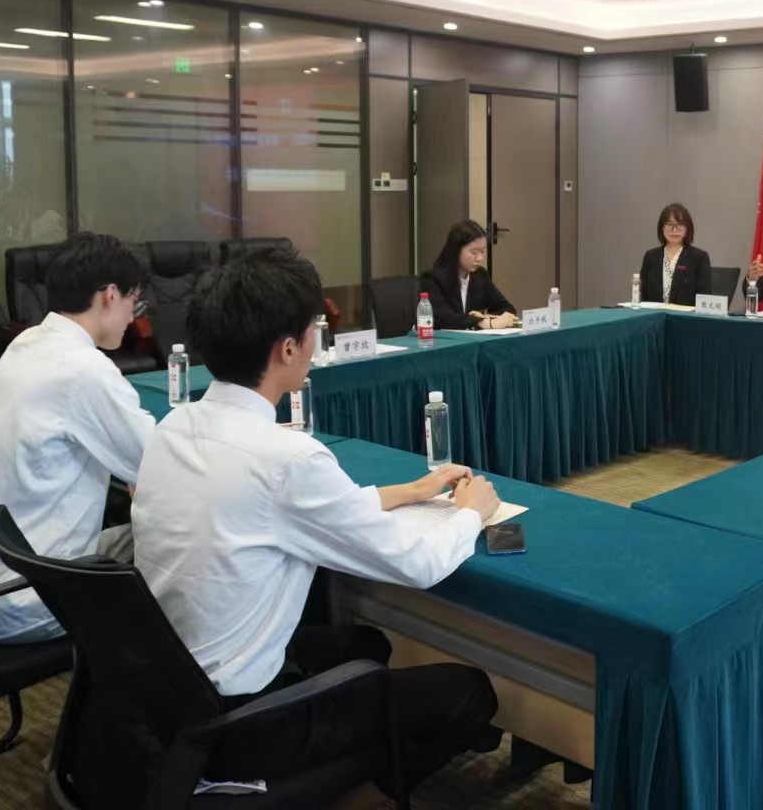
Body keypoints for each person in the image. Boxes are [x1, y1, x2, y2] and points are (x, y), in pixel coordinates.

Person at [133, 247, 501, 789]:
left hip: (166, 699)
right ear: (289, 348)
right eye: (313, 329)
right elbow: (415, 565)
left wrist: (410, 491)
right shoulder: (287, 458)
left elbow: (299, 511)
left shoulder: (175, 426)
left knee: (364, 645)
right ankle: (360, 793)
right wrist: (469, 515)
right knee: (470, 693)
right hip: (239, 728)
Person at [0, 232, 155, 643]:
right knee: (179, 534)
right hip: (33, 599)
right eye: (134, 301)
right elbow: (161, 467)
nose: (133, 317)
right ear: (110, 296)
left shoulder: (26, 343)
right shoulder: (83, 369)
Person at [422, 220, 519, 330]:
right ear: (456, 250)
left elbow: (507, 309)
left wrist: (484, 318)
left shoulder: (480, 275)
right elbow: (442, 318)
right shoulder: (432, 279)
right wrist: (480, 322)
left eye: (482, 252)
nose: (480, 258)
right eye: (474, 252)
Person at [638, 203, 712, 306]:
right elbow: (643, 294)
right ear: (662, 227)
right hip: (654, 313)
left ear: (687, 228)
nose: (674, 230)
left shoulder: (699, 258)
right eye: (670, 224)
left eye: (680, 225)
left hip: (684, 315)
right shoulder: (651, 256)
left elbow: (704, 298)